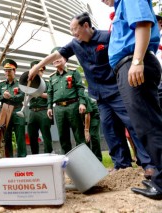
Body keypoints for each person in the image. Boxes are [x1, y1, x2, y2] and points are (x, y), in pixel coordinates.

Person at [28, 12, 156, 178]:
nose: (73, 33)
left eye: (75, 29)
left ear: (86, 26)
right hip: (100, 96)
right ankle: (122, 165)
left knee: (132, 125)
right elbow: (58, 54)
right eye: (71, 30)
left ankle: (149, 164)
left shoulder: (107, 37)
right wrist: (37, 66)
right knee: (109, 129)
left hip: (118, 90)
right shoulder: (75, 44)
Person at [101, 0, 162, 200]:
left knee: (148, 125)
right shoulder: (120, 7)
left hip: (134, 64)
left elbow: (143, 23)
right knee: (144, 124)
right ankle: (159, 177)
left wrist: (137, 61)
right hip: (129, 65)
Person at [46, 48, 86, 154]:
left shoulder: (73, 72)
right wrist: (49, 107)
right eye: (54, 58)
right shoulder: (52, 78)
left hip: (73, 105)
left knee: (78, 134)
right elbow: (50, 93)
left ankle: (83, 158)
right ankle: (67, 161)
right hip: (58, 109)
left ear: (65, 58)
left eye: (58, 57)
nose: (56, 60)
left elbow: (80, 88)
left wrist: (82, 103)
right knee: (63, 136)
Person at [0, 58, 26, 157]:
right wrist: (3, 96)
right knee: (7, 136)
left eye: (9, 70)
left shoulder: (20, 84)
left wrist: (11, 97)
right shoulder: (1, 85)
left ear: (14, 71)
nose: (7, 73)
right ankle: (9, 158)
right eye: (5, 71)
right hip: (6, 112)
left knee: (20, 136)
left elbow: (22, 96)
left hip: (17, 110)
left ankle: (22, 157)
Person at [27, 60, 53, 154]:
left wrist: (39, 93)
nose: (38, 73)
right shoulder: (28, 83)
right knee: (32, 136)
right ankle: (35, 157)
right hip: (32, 112)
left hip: (43, 111)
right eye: (36, 71)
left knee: (46, 136)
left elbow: (51, 96)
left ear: (43, 71)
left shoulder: (47, 83)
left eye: (40, 71)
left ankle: (49, 155)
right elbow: (24, 97)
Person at [83, 92, 102, 161]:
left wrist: (86, 130)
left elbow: (87, 113)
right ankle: (87, 159)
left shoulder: (83, 96)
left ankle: (98, 159)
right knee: (84, 139)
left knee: (93, 135)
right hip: (83, 117)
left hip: (93, 115)